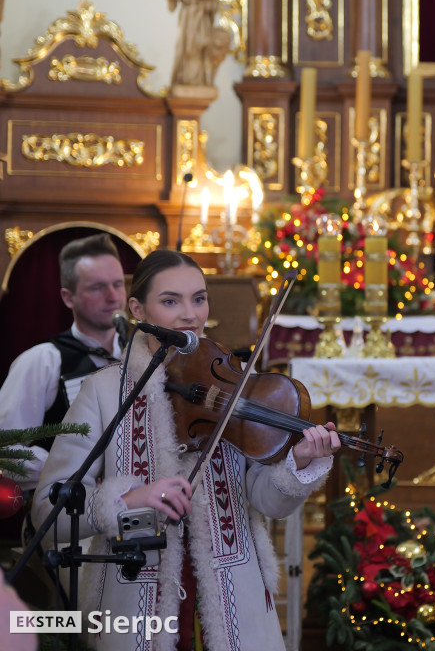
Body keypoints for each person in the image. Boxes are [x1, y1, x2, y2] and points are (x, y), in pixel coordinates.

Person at [33, 249, 341, 651]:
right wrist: (126, 500)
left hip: (236, 603)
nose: (189, 314)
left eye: (199, 298)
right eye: (170, 301)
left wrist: (297, 466)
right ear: (136, 307)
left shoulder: (232, 382)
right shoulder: (105, 391)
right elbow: (47, 511)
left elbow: (267, 500)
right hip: (133, 603)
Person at [0, 233, 126, 493]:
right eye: (97, 287)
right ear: (68, 298)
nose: (113, 297)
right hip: (66, 519)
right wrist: (73, 469)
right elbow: (5, 450)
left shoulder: (141, 355)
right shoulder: (42, 361)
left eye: (118, 284)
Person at [166, 0, 231, 87]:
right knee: (187, 50)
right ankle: (183, 78)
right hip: (188, 19)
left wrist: (205, 4)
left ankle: (200, 81)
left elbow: (214, 4)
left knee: (201, 48)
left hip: (202, 21)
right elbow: (173, 2)